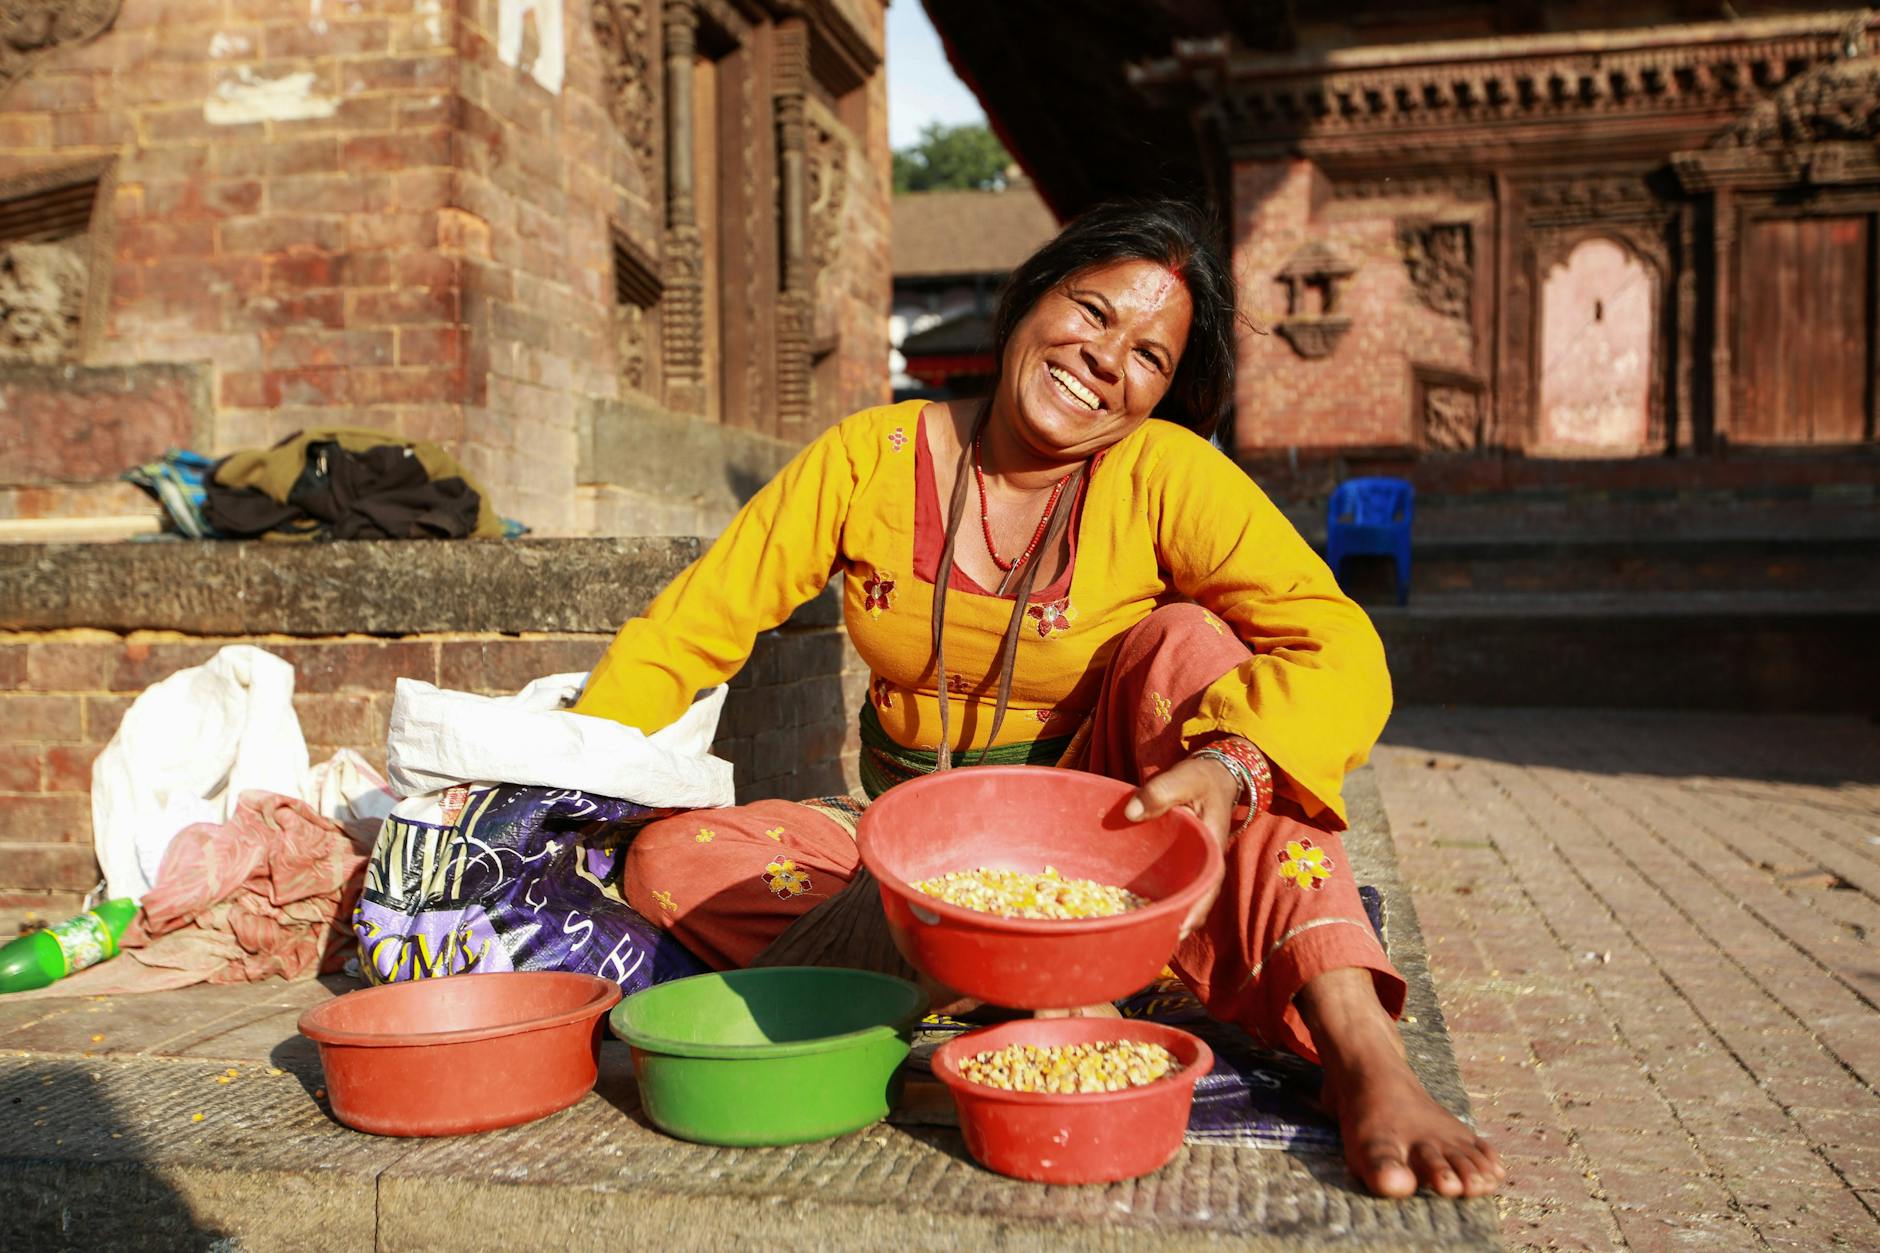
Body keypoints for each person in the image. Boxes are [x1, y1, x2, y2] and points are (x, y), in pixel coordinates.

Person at [573, 199, 1505, 1200]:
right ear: (1028, 298)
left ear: (1160, 394)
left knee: (1191, 647)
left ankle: (1359, 1049)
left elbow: (1340, 644)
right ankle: (1048, 987)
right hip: (916, 858)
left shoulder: (1166, 473)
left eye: (1148, 355)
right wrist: (543, 776)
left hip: (1113, 847)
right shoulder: (866, 457)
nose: (1106, 357)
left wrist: (1229, 765)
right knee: (672, 860)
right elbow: (690, 629)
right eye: (1093, 311)